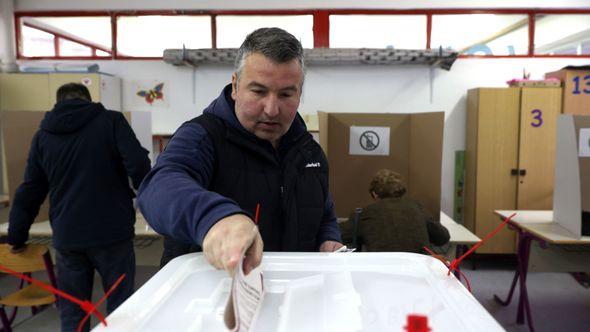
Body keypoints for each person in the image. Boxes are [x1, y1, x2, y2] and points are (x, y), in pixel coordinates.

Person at [138, 27, 342, 275]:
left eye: (286, 94)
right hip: (212, 299)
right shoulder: (202, 136)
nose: (271, 109)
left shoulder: (310, 152)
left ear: (299, 93)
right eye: (259, 91)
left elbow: (324, 213)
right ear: (235, 86)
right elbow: (160, 187)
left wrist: (328, 240)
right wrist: (214, 218)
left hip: (293, 295)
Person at [7, 83, 151, 332]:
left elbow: (31, 189)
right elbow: (138, 164)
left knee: (74, 311)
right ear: (88, 100)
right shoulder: (111, 121)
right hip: (112, 234)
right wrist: (152, 205)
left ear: (57, 102)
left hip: (68, 237)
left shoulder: (44, 136)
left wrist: (16, 235)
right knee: (121, 308)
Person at [340, 169, 450, 252]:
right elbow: (443, 237)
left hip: (382, 274)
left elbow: (339, 235)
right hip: (418, 271)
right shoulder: (417, 207)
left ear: (374, 194)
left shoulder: (363, 214)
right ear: (400, 191)